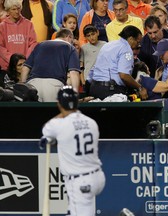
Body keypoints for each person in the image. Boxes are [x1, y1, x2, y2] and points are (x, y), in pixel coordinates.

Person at [40, 85, 105, 216]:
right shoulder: (91, 122)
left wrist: (63, 112)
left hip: (80, 181)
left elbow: (46, 131)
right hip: (97, 177)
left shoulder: (58, 125)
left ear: (59, 104)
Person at [87, 25, 148, 100]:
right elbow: (124, 75)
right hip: (110, 90)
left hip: (94, 88)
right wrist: (140, 87)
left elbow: (93, 69)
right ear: (131, 39)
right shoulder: (126, 49)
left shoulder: (108, 45)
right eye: (138, 42)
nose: (138, 45)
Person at [21, 28, 80, 102]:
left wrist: (23, 86)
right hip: (54, 86)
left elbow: (25, 68)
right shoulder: (70, 47)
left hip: (33, 85)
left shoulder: (40, 45)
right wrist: (75, 95)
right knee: (52, 113)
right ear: (69, 37)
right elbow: (74, 73)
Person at [0, 0, 37, 70]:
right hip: (7, 67)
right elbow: (1, 47)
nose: (17, 11)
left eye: (18, 8)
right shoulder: (2, 26)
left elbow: (33, 43)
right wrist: (13, 60)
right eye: (13, 9)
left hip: (25, 65)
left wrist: (24, 60)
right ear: (8, 11)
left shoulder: (28, 24)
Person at [80, 24, 106, 91]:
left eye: (93, 34)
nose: (91, 37)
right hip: (88, 80)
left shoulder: (105, 45)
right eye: (88, 36)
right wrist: (83, 81)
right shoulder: (83, 48)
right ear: (85, 37)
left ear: (97, 32)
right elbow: (81, 67)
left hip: (102, 79)